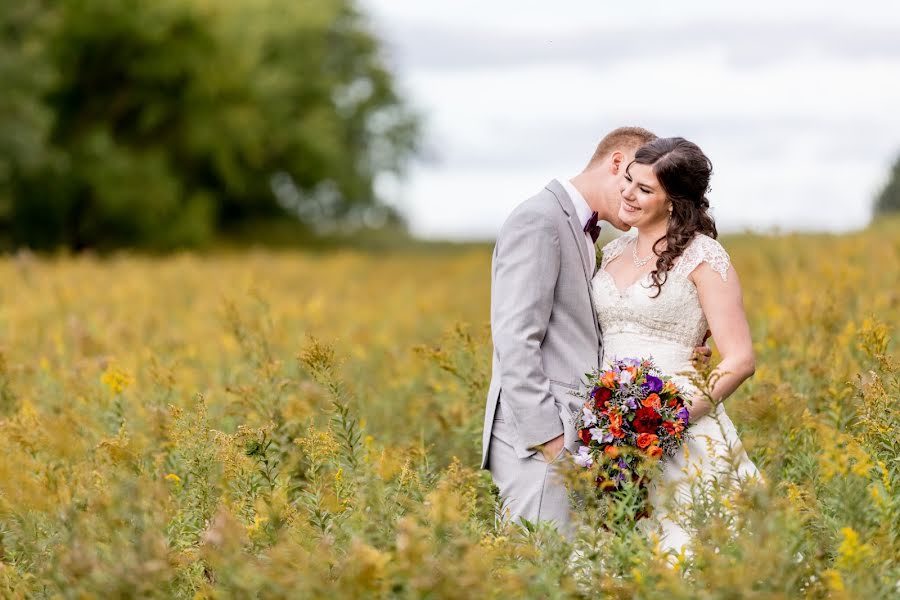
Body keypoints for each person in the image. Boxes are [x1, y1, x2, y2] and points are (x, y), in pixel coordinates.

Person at [481, 126, 711, 534]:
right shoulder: (540, 220)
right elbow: (515, 340)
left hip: (587, 442)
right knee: (538, 572)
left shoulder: (595, 238)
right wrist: (551, 443)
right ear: (619, 163)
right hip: (540, 445)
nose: (634, 198)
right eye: (635, 184)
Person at [593, 136, 761, 553]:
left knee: (689, 552)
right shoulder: (611, 251)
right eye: (629, 180)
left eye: (645, 189)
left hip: (680, 424)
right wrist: (614, 428)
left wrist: (668, 421)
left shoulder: (705, 258)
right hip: (609, 432)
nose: (628, 194)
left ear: (673, 201)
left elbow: (740, 360)